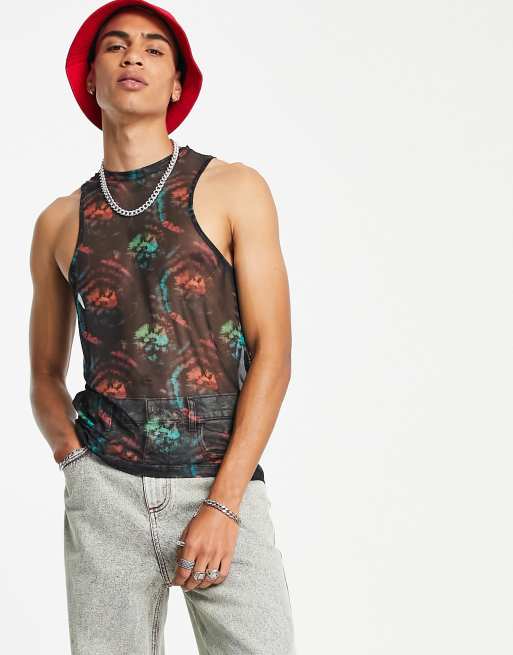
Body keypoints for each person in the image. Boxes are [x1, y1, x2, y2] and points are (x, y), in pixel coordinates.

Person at [29, 0, 295, 653]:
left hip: (219, 480)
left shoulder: (233, 187)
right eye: (115, 46)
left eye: (154, 49)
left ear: (177, 83)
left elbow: (273, 351)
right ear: (89, 77)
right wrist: (77, 467)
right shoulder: (60, 221)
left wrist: (225, 503)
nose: (133, 57)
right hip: (107, 487)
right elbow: (44, 373)